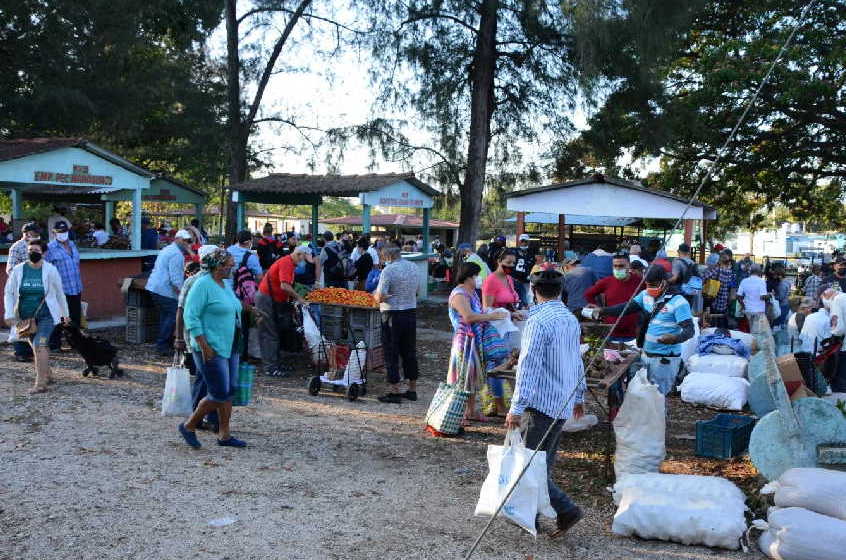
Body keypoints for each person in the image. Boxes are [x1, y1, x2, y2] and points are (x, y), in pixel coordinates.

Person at [505, 269, 585, 539]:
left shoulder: (538, 322)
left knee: (529, 465)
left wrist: (516, 407)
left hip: (541, 404)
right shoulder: (569, 319)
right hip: (561, 400)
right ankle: (534, 517)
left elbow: (528, 367)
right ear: (561, 289)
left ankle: (565, 509)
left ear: (533, 289)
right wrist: (579, 395)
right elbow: (577, 360)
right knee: (541, 464)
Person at [177, 249, 245, 449]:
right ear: (217, 266)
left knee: (229, 390)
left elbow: (232, 307)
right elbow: (190, 316)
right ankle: (189, 425)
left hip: (230, 343)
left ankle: (224, 435)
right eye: (228, 264)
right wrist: (203, 344)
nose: (232, 267)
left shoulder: (224, 284)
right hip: (210, 346)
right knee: (218, 392)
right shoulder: (202, 285)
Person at [598, 265, 695, 395]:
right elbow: (626, 308)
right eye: (648, 284)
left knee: (658, 398)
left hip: (664, 360)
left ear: (664, 282)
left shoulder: (679, 302)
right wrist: (602, 311)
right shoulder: (645, 295)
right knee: (642, 397)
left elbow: (690, 330)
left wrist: (675, 339)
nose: (650, 288)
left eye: (654, 285)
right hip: (645, 356)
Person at [447, 263, 512, 421]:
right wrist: (492, 317)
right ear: (469, 276)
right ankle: (457, 413)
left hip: (475, 340)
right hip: (464, 341)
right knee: (462, 376)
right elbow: (468, 317)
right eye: (477, 275)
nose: (479, 278)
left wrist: (502, 314)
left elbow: (480, 312)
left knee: (472, 376)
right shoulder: (459, 294)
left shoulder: (472, 292)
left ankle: (471, 411)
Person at [4, 239, 68, 393]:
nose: (33, 253)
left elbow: (60, 293)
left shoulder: (51, 270)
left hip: (46, 315)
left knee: (40, 344)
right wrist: (9, 314)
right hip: (26, 317)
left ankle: (40, 384)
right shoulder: (18, 270)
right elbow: (9, 293)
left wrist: (64, 316)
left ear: (44, 253)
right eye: (30, 250)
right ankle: (48, 373)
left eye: (36, 251)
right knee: (35, 345)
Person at [374, 246, 420, 403]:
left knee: (391, 351)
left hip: (392, 314)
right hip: (410, 312)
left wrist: (376, 296)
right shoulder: (414, 267)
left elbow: (380, 296)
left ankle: (395, 390)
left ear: (387, 255)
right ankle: (412, 389)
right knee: (409, 351)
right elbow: (417, 291)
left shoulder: (388, 270)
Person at [255, 246, 310, 377]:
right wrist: (299, 298)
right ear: (299, 254)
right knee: (269, 333)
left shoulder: (289, 263)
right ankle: (270, 367)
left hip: (272, 299)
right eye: (304, 259)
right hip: (266, 299)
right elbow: (284, 285)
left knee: (274, 332)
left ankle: (274, 363)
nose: (304, 262)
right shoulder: (287, 263)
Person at [146, 229, 193, 355]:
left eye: (189, 241)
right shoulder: (176, 254)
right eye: (185, 240)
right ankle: (162, 345)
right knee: (173, 316)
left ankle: (163, 344)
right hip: (163, 289)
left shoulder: (168, 249)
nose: (187, 243)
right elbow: (175, 279)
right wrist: (184, 293)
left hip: (155, 287)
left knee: (165, 316)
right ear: (177, 239)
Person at [6, 222, 42, 362]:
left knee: (33, 319)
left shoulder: (37, 246)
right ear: (26, 233)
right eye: (34, 233)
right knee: (21, 320)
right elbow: (10, 269)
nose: (36, 235)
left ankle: (31, 349)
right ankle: (21, 351)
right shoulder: (17, 247)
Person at [584, 254, 641, 342]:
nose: (618, 269)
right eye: (615, 266)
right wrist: (597, 309)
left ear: (629, 266)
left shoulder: (640, 282)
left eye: (621, 266)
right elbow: (589, 294)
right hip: (611, 333)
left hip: (632, 335)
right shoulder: (607, 282)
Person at [44, 221, 82, 351]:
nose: (63, 235)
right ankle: (55, 345)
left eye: (65, 232)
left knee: (74, 318)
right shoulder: (50, 248)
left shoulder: (72, 244)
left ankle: (75, 343)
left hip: (75, 287)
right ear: (54, 233)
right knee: (59, 318)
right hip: (59, 290)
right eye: (60, 232)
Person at [702, 248, 737, 328]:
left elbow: (703, 278)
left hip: (713, 303)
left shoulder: (717, 270)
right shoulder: (732, 272)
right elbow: (732, 290)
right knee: (721, 327)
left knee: (711, 327)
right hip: (724, 304)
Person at [670, 243, 701, 311]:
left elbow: (674, 278)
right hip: (691, 292)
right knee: (687, 311)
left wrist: (666, 280)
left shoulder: (677, 262)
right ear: (688, 252)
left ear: (679, 251)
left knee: (679, 312)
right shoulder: (693, 263)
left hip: (680, 292)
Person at [511, 233, 536, 306]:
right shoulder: (513, 251)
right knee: (516, 297)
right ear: (519, 241)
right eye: (522, 241)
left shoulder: (531, 252)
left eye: (526, 241)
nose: (524, 243)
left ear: (528, 242)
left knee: (527, 298)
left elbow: (533, 265)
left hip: (526, 279)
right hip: (515, 278)